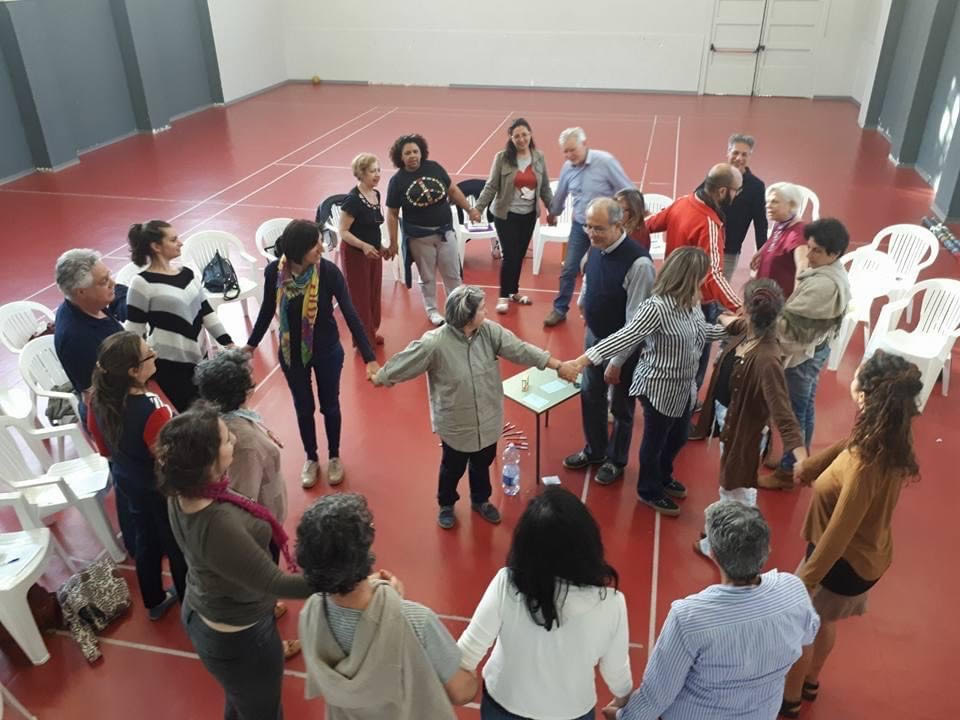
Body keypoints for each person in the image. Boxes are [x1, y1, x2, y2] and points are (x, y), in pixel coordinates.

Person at [780, 351, 922, 718]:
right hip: (866, 555)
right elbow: (850, 442)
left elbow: (840, 532)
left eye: (858, 373)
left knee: (801, 628)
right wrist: (810, 467)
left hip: (841, 562)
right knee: (823, 620)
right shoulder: (887, 432)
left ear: (864, 393)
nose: (853, 373)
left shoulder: (864, 466)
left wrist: (804, 582)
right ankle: (811, 681)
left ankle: (790, 700)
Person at [157, 402, 312, 720]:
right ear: (208, 461)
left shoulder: (182, 492)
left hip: (208, 612)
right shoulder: (219, 525)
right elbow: (275, 582)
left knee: (241, 699)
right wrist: (340, 577)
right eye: (227, 440)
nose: (235, 442)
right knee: (264, 711)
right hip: (239, 638)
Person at [371, 285, 564, 529]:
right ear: (467, 316)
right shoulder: (436, 343)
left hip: (488, 418)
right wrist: (383, 376)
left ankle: (480, 500)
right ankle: (446, 503)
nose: (486, 312)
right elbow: (407, 360)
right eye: (482, 309)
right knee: (452, 467)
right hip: (456, 423)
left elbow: (520, 350)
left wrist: (555, 364)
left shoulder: (489, 332)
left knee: (483, 463)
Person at [609, 501, 819, 720]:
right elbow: (807, 642)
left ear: (713, 554)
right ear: (766, 549)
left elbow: (656, 696)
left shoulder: (689, 617)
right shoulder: (794, 590)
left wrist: (623, 716)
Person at [559, 248, 729, 516]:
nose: (705, 281)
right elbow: (624, 336)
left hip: (684, 389)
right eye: (702, 276)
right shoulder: (656, 307)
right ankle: (648, 489)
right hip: (658, 388)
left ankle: (663, 475)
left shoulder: (692, 302)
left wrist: (728, 330)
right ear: (689, 276)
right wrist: (582, 361)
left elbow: (701, 331)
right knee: (656, 440)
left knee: (679, 437)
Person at [297, 493, 478, 718]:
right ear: (365, 552)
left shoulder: (310, 614)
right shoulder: (416, 621)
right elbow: (462, 692)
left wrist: (389, 601)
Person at [458, 487, 633, 720]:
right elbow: (616, 673)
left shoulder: (506, 584)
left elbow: (465, 655)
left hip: (503, 704)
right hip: (572, 711)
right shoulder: (612, 604)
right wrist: (623, 703)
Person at [245, 219, 379, 489]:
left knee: (330, 406)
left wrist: (369, 357)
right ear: (297, 249)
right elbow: (267, 309)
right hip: (291, 353)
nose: (321, 247)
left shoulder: (328, 272)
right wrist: (250, 345)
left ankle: (334, 457)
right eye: (314, 244)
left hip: (327, 350)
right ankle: (311, 458)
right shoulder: (275, 272)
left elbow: (351, 314)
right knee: (303, 407)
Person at [690, 279, 806, 556]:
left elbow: (784, 413)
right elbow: (730, 321)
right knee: (734, 482)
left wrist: (803, 459)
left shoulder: (767, 359)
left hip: (745, 432)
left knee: (735, 488)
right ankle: (728, 532)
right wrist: (711, 308)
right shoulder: (748, 331)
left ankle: (728, 546)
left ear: (747, 309)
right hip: (730, 423)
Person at [87, 331, 186, 620]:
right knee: (176, 543)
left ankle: (153, 599)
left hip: (126, 480)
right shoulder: (152, 408)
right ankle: (188, 601)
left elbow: (103, 448)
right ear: (133, 371)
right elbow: (167, 459)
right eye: (148, 352)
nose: (153, 353)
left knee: (145, 539)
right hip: (158, 486)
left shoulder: (97, 400)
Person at [562, 198, 655, 486]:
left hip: (623, 350)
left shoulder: (639, 264)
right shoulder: (597, 246)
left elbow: (635, 324)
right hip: (594, 339)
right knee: (590, 396)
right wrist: (583, 300)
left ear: (619, 225)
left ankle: (616, 460)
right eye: (588, 226)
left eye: (598, 228)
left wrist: (616, 361)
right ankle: (595, 450)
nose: (591, 233)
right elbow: (589, 274)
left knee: (622, 409)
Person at [759, 219, 851, 489]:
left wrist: (759, 324)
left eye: (816, 251)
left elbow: (790, 327)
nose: (808, 256)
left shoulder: (824, 286)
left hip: (804, 355)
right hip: (816, 349)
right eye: (808, 248)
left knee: (793, 411)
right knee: (805, 406)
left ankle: (789, 472)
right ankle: (802, 463)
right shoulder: (828, 270)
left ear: (834, 254)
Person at [645, 164, 744, 394]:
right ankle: (687, 399)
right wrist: (739, 308)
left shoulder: (682, 202)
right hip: (696, 302)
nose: (737, 195)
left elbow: (650, 224)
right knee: (695, 356)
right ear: (722, 191)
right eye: (736, 190)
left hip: (668, 292)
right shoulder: (709, 224)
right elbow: (715, 275)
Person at [124, 220, 234, 411]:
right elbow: (134, 331)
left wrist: (228, 342)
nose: (180, 243)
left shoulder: (188, 274)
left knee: (212, 409)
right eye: (173, 239)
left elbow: (206, 312)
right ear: (156, 246)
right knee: (194, 416)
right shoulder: (141, 283)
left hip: (201, 358)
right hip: (170, 365)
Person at [385, 133, 480, 326]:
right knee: (427, 276)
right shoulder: (397, 181)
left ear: (421, 153)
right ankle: (432, 310)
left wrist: (470, 209)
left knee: (452, 274)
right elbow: (392, 213)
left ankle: (458, 309)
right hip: (419, 238)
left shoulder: (434, 168)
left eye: (415, 151)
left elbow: (452, 190)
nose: (412, 155)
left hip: (445, 233)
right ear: (400, 157)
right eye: (407, 153)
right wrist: (393, 242)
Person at [543, 127, 634, 327]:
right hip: (580, 226)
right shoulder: (567, 167)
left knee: (604, 269)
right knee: (569, 268)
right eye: (565, 151)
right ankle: (560, 309)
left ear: (585, 144)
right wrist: (553, 213)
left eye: (572, 150)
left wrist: (633, 216)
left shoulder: (606, 162)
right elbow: (561, 194)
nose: (568, 155)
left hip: (606, 228)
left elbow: (627, 189)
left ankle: (604, 309)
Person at [474, 118, 554, 314]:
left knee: (519, 255)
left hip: (528, 216)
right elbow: (492, 185)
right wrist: (478, 207)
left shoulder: (539, 157)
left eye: (524, 134)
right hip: (505, 214)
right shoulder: (502, 158)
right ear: (511, 138)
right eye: (516, 135)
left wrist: (553, 209)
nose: (521, 139)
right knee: (510, 256)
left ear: (530, 135)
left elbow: (544, 188)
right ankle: (503, 295)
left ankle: (514, 292)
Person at [53, 249, 124, 417]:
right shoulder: (77, 339)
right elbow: (98, 393)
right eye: (104, 281)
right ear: (81, 292)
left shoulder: (88, 304)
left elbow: (120, 292)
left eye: (109, 276)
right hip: (113, 410)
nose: (112, 283)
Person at [338, 153, 386, 347]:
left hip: (373, 253)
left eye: (378, 170)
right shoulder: (353, 200)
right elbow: (343, 232)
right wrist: (364, 246)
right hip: (356, 255)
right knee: (360, 298)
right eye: (372, 171)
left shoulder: (376, 194)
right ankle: (362, 338)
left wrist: (379, 245)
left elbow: (373, 226)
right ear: (361, 173)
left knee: (373, 293)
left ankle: (371, 331)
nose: (377, 175)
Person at [719, 133, 768, 280]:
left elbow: (761, 223)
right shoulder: (716, 176)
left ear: (749, 157)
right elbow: (697, 202)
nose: (739, 158)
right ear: (728, 153)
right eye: (735, 153)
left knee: (720, 293)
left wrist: (762, 253)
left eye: (744, 154)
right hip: (705, 246)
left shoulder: (756, 187)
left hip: (729, 251)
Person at [751, 182, 808, 297]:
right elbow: (775, 240)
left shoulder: (799, 232)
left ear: (791, 205)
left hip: (779, 301)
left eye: (774, 202)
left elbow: (802, 269)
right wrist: (762, 251)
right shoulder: (781, 223)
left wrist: (794, 302)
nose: (768, 206)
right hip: (764, 294)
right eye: (767, 202)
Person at [615, 187, 651, 252]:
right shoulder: (622, 227)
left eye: (620, 210)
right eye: (613, 207)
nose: (614, 213)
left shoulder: (636, 238)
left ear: (633, 213)